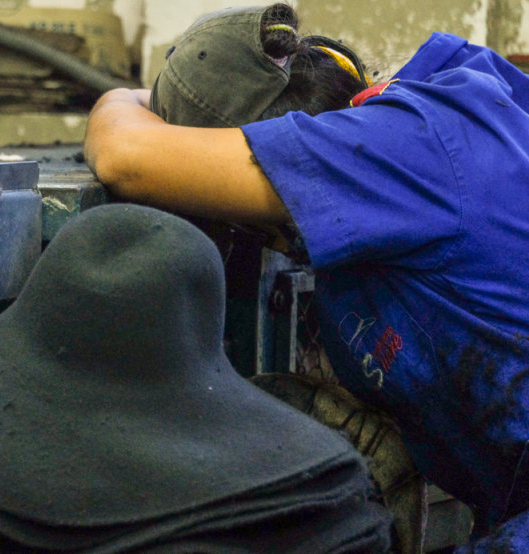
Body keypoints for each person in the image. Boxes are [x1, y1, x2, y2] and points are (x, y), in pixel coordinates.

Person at [83, 2, 529, 550]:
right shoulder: (454, 95)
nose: (273, 244)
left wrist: (123, 96)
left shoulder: (390, 147)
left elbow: (122, 154)